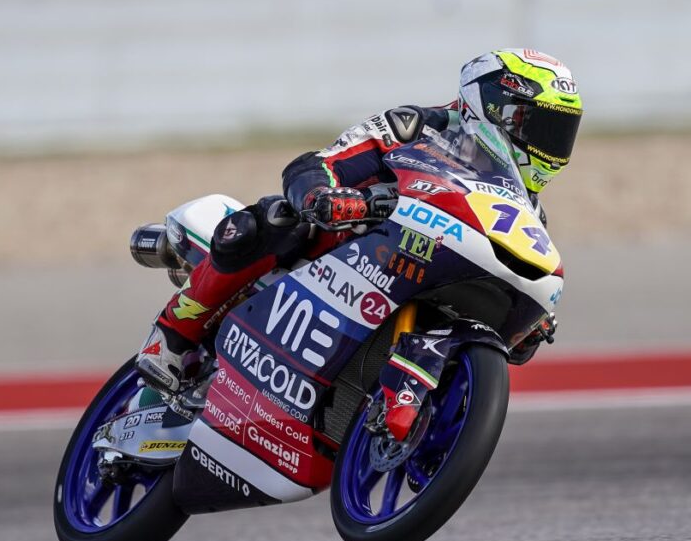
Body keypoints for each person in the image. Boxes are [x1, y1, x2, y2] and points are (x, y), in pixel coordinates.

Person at [136, 48, 583, 395]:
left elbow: (510, 347)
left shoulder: (527, 212)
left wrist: (530, 325)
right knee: (278, 217)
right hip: (340, 249)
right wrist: (323, 197)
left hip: (414, 283)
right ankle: (171, 336)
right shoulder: (415, 126)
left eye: (561, 133)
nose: (552, 146)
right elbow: (317, 163)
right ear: (494, 108)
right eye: (541, 128)